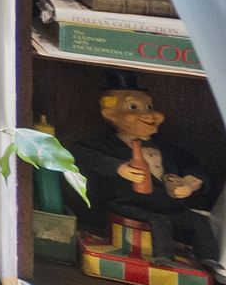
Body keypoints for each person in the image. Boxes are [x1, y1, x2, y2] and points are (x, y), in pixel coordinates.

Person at [72, 87, 220, 267]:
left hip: (170, 207)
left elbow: (196, 167)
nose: (149, 114)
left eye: (149, 107)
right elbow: (78, 153)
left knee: (200, 221)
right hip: (129, 205)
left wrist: (190, 184)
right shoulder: (108, 146)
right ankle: (164, 258)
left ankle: (210, 260)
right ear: (110, 114)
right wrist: (117, 167)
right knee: (158, 220)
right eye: (133, 107)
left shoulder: (167, 150)